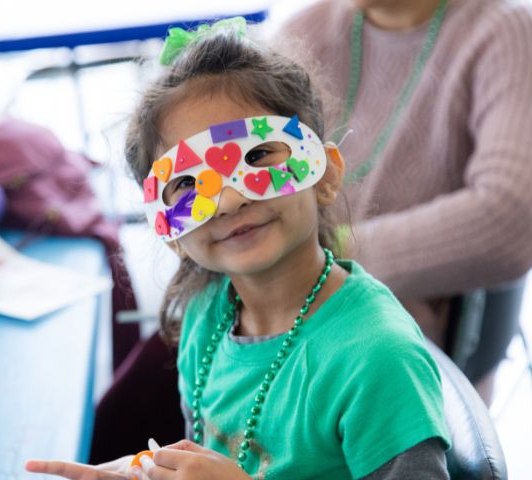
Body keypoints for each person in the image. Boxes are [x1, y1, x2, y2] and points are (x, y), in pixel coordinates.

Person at [26, 26, 450, 479]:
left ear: (324, 175)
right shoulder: (206, 315)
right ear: (168, 230)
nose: (229, 199)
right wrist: (145, 471)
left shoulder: (377, 358)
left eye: (259, 155)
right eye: (187, 183)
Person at [273, 0, 532, 402]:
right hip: (275, 329)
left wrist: (319, 259)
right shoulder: (303, 33)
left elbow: (509, 218)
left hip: (400, 360)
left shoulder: (502, 31)